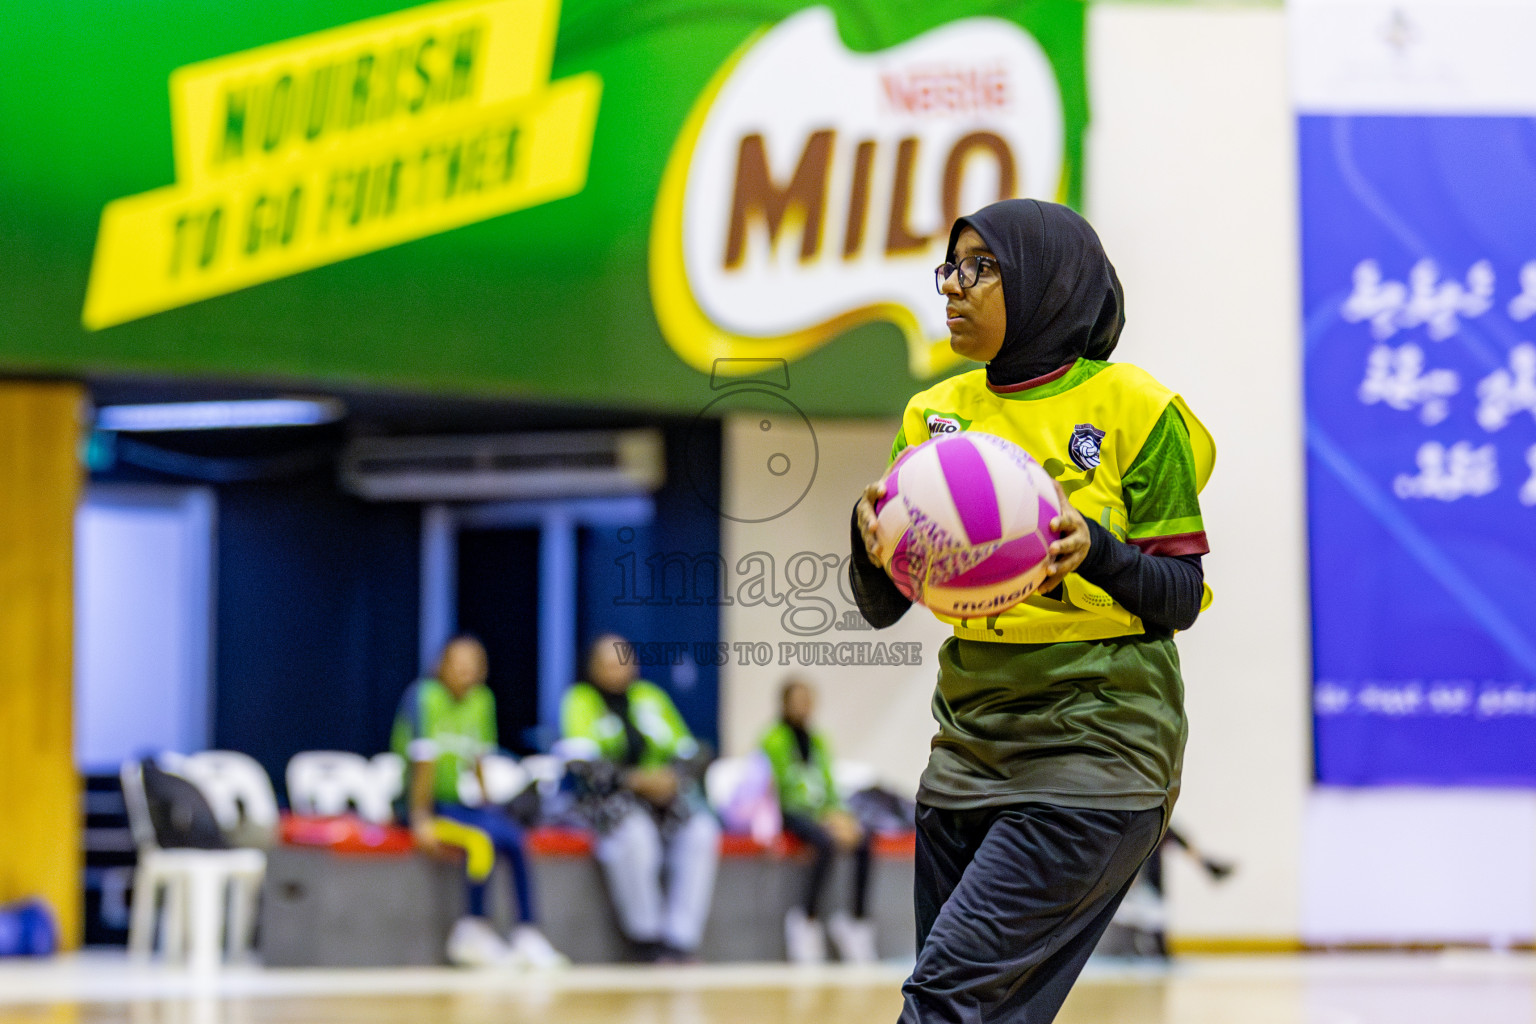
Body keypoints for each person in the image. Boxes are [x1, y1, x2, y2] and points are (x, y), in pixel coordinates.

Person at [850, 198, 1215, 1022]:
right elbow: (881, 604)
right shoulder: (934, 417)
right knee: (989, 1014)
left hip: (1099, 746)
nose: (954, 287)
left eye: (982, 268)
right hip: (968, 751)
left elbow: (1181, 596)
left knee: (945, 1001)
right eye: (951, 266)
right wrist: (863, 535)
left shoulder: (1136, 409)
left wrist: (1100, 548)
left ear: (1050, 283)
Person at [391, 635, 566, 968]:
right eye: (458, 662)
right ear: (441, 665)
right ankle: (471, 929)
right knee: (480, 841)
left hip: (461, 805)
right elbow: (422, 763)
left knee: (513, 838)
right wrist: (420, 820)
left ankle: (527, 932)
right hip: (420, 804)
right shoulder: (423, 697)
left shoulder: (482, 700)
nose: (466, 670)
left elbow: (479, 759)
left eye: (474, 663)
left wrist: (488, 807)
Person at [561, 633, 720, 962]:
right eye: (606, 662)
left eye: (622, 659)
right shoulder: (580, 700)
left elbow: (693, 751)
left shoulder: (650, 696)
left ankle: (680, 939)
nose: (616, 668)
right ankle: (646, 938)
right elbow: (581, 762)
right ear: (592, 667)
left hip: (663, 797)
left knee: (702, 831)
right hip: (609, 800)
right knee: (636, 835)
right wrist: (635, 780)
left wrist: (671, 778)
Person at [761, 677, 876, 964]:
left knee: (863, 840)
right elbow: (784, 788)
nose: (803, 706)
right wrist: (822, 817)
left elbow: (828, 785)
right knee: (823, 842)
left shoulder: (819, 740)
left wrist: (841, 816)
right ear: (785, 703)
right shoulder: (772, 740)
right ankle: (806, 918)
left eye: (807, 699)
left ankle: (856, 920)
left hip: (821, 812)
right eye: (797, 700)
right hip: (787, 812)